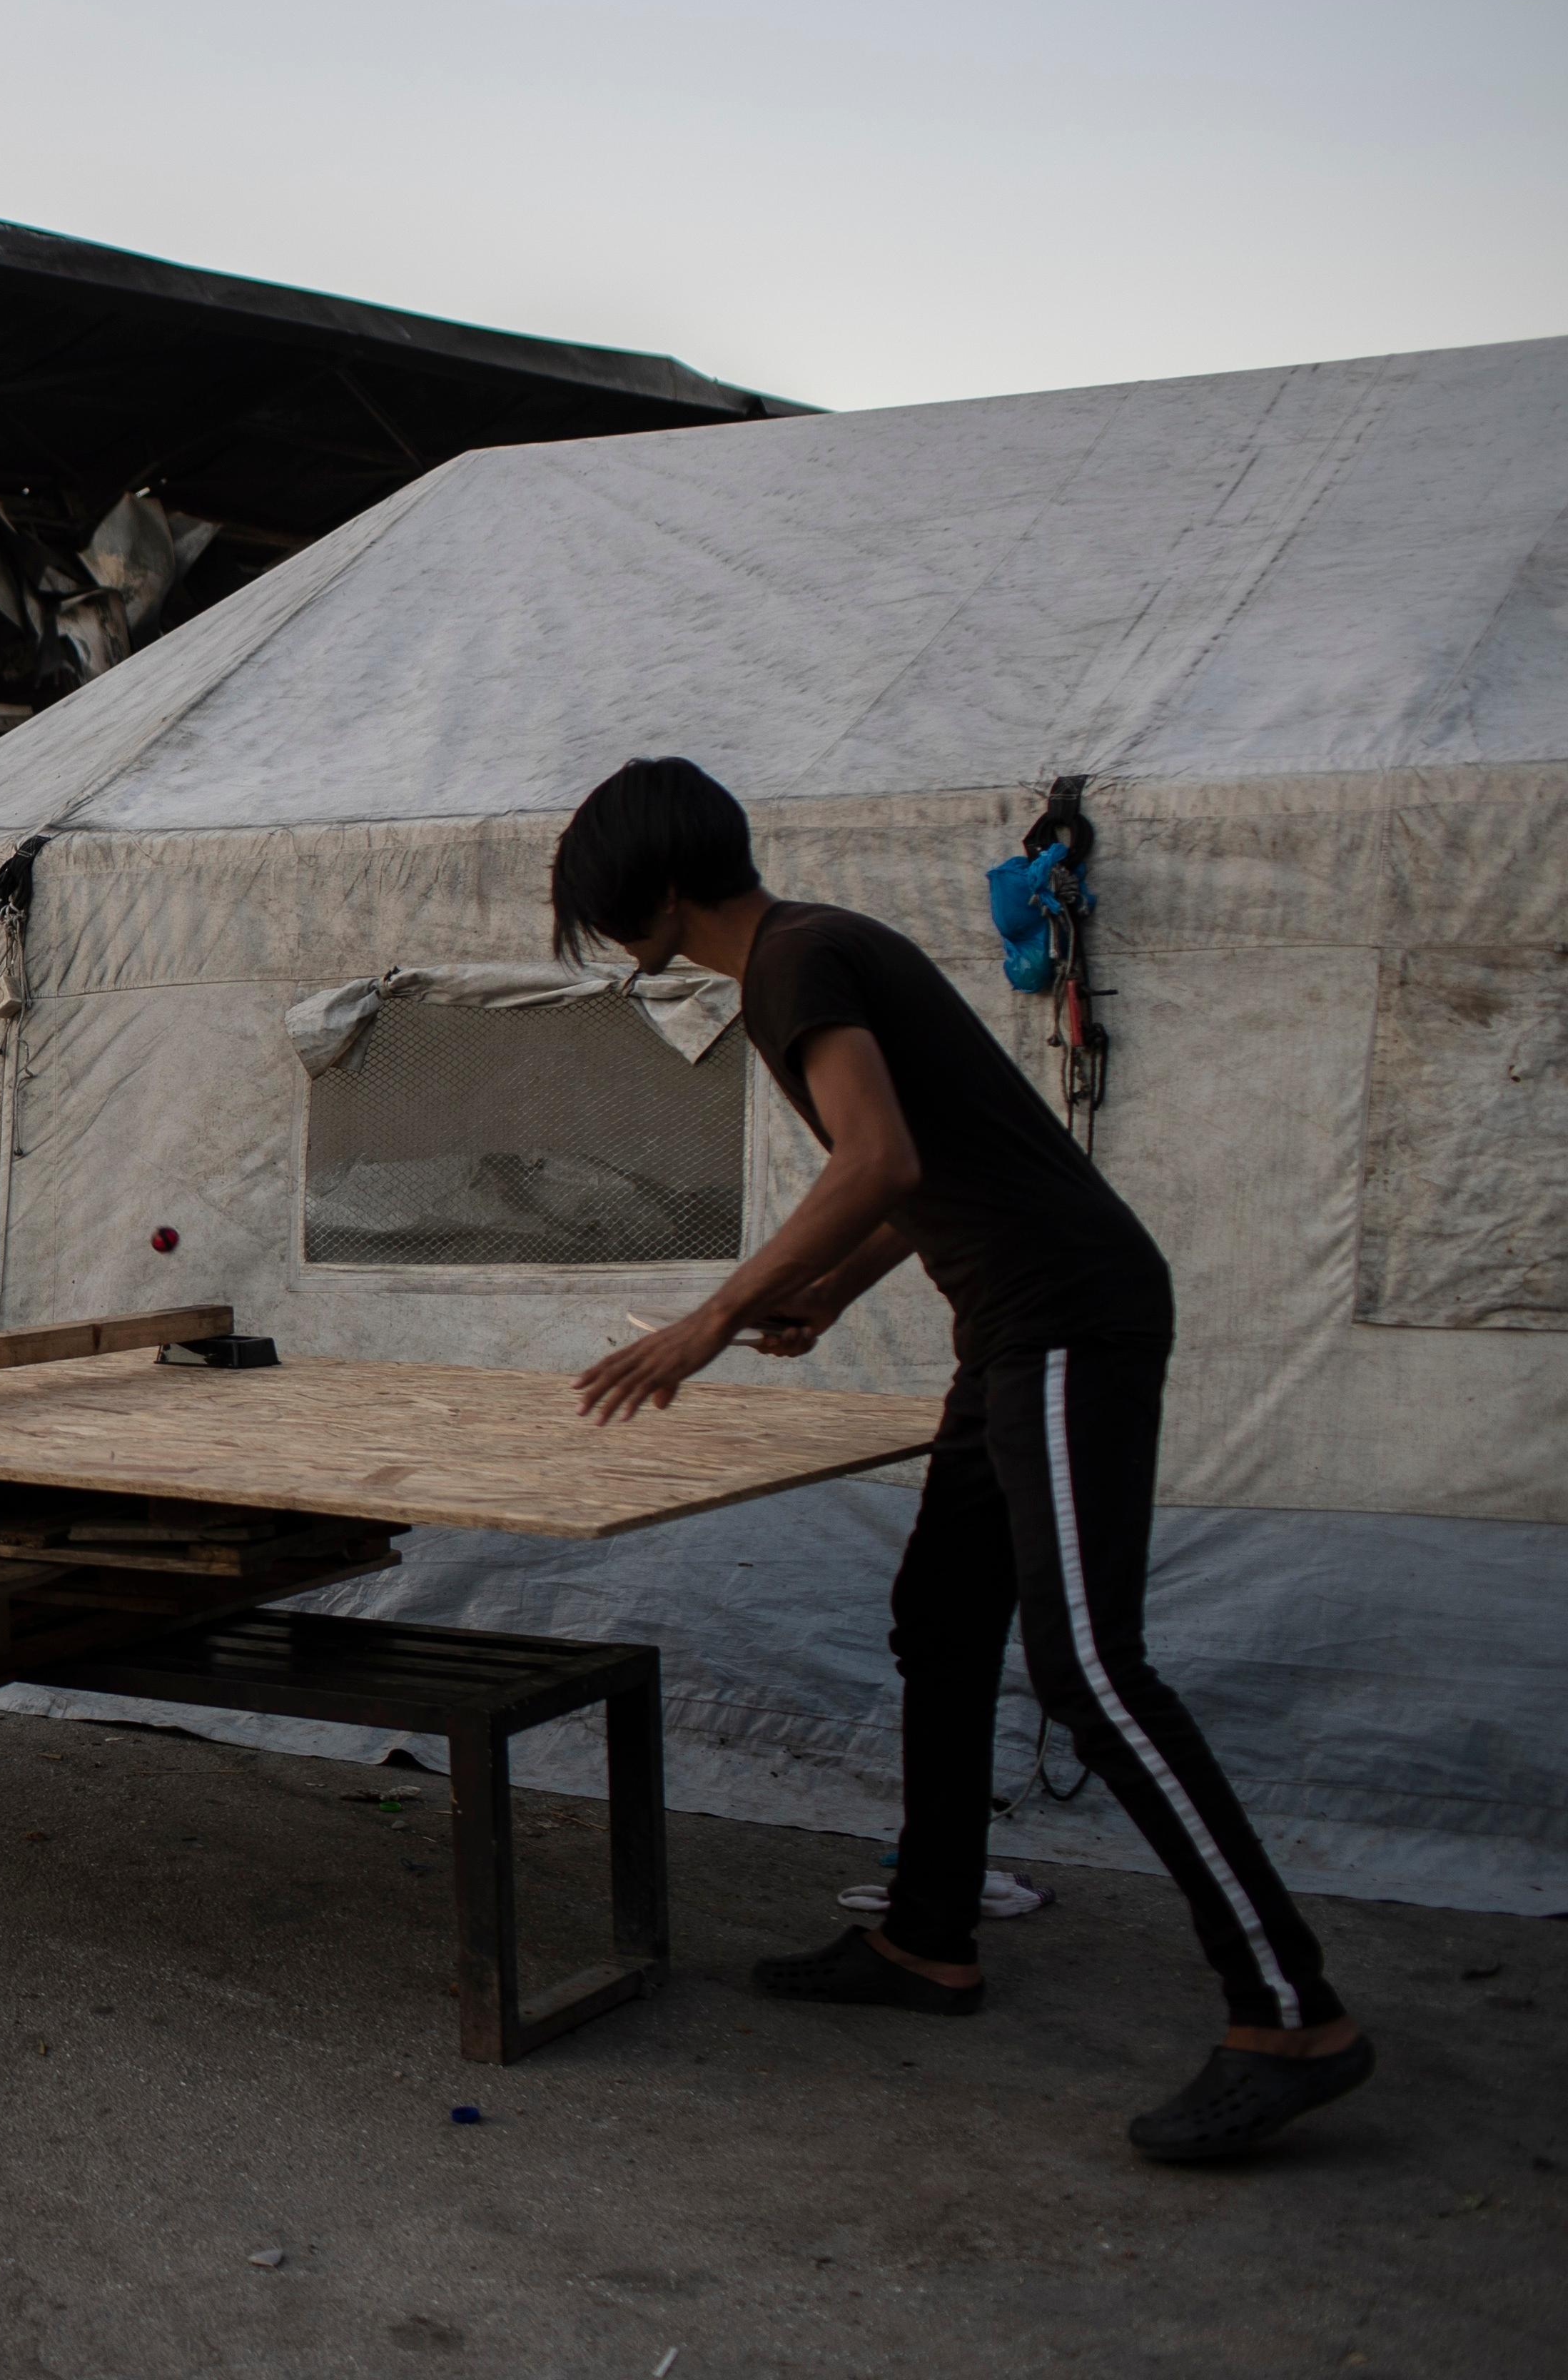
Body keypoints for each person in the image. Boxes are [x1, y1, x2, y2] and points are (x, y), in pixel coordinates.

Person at [557, 756, 1367, 2162]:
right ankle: (931, 1940)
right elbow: (920, 1167)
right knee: (942, 1618)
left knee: (1092, 1674)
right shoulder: (822, 947)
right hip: (1015, 1322)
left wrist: (718, 1314)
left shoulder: (793, 967)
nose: (610, 933)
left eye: (606, 909)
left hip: (1065, 1319)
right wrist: (836, 1295)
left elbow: (869, 1161)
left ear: (658, 889)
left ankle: (1290, 2010)